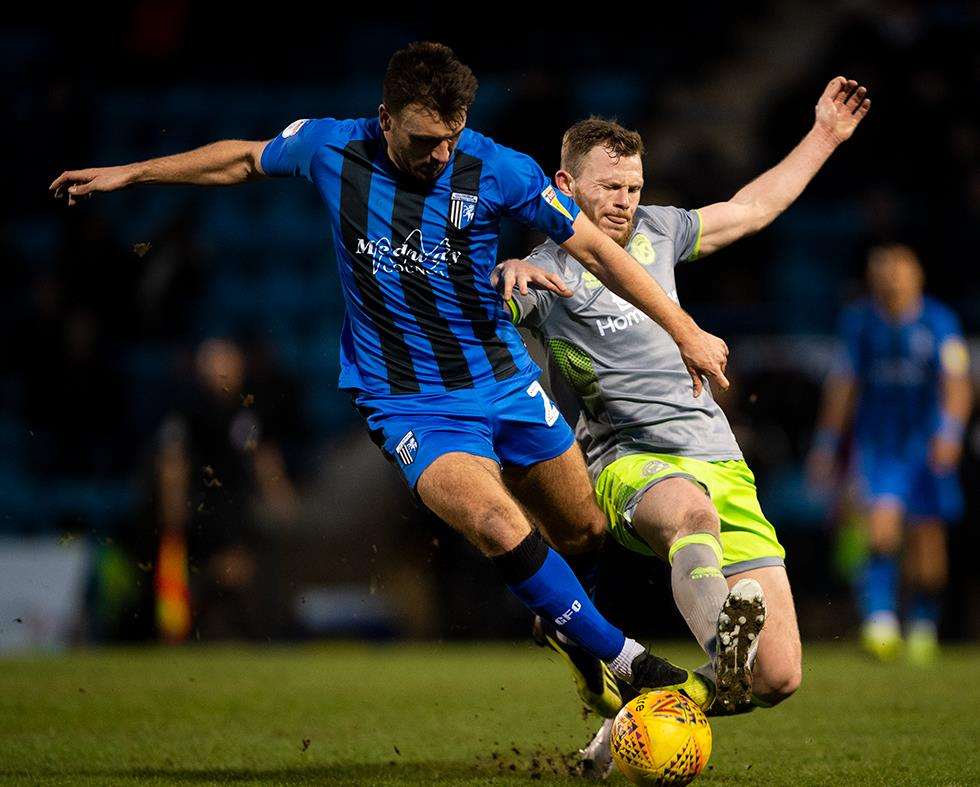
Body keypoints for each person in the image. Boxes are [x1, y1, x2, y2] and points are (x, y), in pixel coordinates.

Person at [50, 42, 729, 694]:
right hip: (409, 402)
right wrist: (131, 172)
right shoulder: (332, 147)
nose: (439, 155)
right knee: (495, 521)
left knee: (584, 529)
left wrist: (685, 328)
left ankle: (563, 624)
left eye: (450, 139)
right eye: (422, 139)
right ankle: (626, 657)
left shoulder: (500, 168)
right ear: (384, 119)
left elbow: (600, 253)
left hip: (504, 380)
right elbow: (243, 160)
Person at [494, 76, 869, 766]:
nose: (625, 201)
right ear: (564, 183)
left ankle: (631, 723)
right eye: (610, 187)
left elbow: (750, 209)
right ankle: (725, 655)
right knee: (689, 511)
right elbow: (478, 320)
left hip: (719, 457)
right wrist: (503, 277)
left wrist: (824, 136)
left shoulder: (662, 231)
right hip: (627, 460)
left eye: (633, 187)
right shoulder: (543, 272)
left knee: (780, 676)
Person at [808, 244, 971, 665]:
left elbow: (957, 384)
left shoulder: (939, 321)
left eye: (898, 271)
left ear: (917, 275)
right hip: (880, 447)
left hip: (927, 447)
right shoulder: (860, 323)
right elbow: (843, 386)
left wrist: (950, 432)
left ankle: (922, 624)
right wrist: (827, 444)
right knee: (879, 531)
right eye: (881, 272)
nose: (891, 279)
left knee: (929, 551)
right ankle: (879, 622)